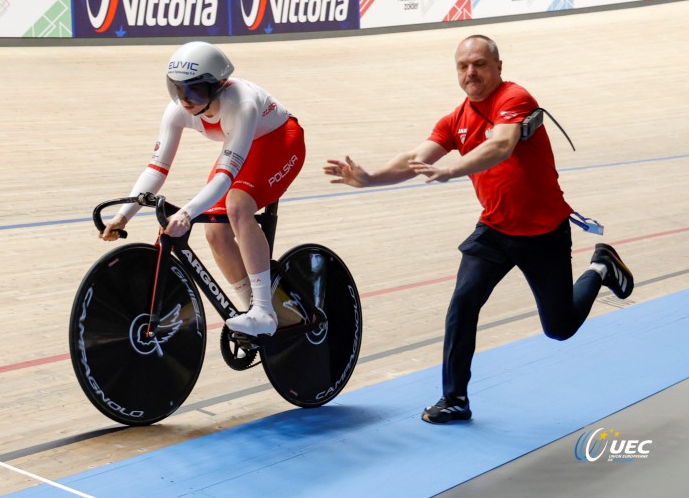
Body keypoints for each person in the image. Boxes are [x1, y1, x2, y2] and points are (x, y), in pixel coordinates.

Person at [324, 35, 633, 424]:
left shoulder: (514, 98)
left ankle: (600, 267)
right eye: (463, 66)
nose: (471, 72)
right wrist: (370, 177)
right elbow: (415, 158)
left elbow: (502, 145)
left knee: (560, 327)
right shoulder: (455, 119)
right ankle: (455, 398)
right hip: (494, 229)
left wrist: (451, 169)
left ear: (498, 68)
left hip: (542, 233)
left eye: (480, 64)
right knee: (463, 303)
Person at [101, 41, 306, 337]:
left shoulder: (241, 104)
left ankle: (264, 312)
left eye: (195, 90)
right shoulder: (177, 111)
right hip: (245, 144)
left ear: (218, 86)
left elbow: (224, 179)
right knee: (214, 231)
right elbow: (156, 168)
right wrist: (123, 216)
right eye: (177, 89)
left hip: (281, 141)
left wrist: (186, 214)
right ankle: (259, 308)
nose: (185, 99)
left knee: (237, 207)